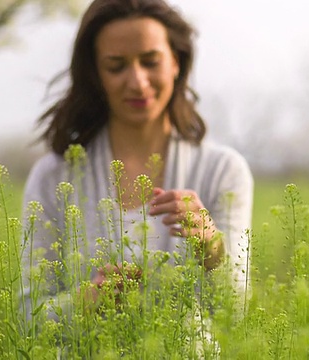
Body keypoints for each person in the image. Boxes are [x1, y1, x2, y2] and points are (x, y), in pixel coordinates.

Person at [21, 0, 253, 321]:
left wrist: (212, 250)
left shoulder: (223, 171)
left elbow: (235, 314)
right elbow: (27, 319)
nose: (137, 82)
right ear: (95, 74)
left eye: (150, 62)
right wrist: (84, 303)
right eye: (116, 66)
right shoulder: (54, 176)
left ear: (176, 62)